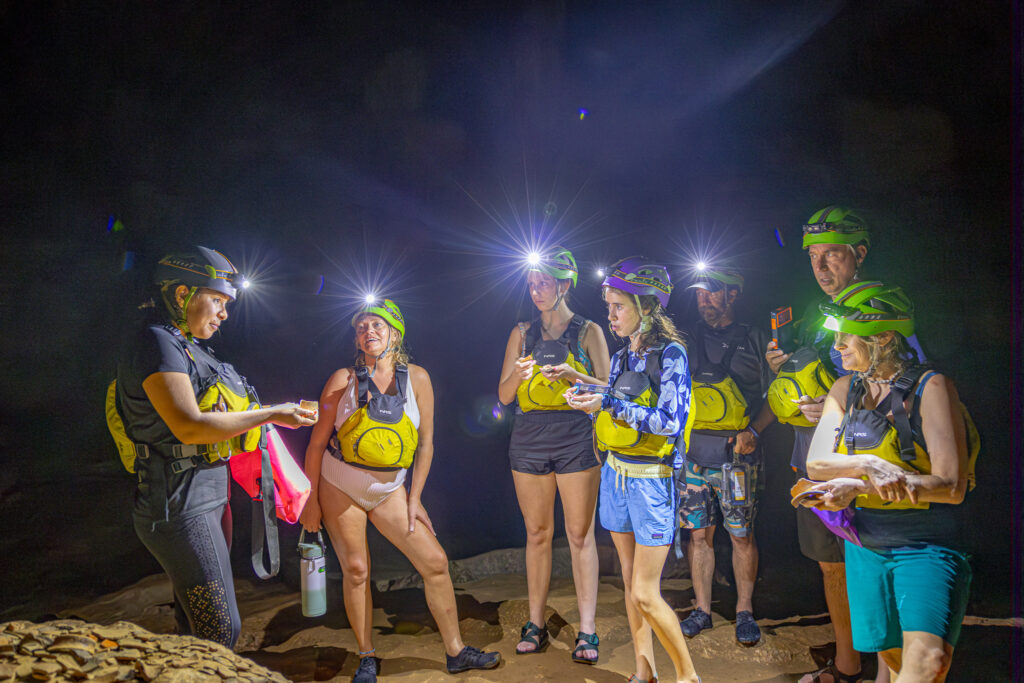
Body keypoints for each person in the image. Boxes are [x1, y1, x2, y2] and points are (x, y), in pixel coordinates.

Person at [114, 246, 317, 648]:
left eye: (227, 303)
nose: (224, 313)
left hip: (205, 494)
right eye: (218, 300)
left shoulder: (186, 345)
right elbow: (190, 427)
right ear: (180, 294)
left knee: (195, 624)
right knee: (220, 629)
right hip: (178, 502)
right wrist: (272, 414)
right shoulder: (155, 342)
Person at [300, 298, 500, 682]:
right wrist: (310, 498)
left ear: (395, 332)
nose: (368, 332)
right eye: (361, 327)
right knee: (357, 570)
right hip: (340, 482)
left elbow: (425, 444)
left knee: (435, 563)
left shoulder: (418, 378)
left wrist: (415, 497)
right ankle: (366, 657)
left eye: (376, 325)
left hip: (391, 488)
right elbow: (316, 442)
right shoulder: (342, 378)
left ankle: (456, 651)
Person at [766, 207, 908, 683]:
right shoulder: (813, 312)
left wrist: (831, 404)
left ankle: (891, 670)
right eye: (813, 257)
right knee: (831, 566)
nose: (822, 268)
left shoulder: (882, 305)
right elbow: (813, 374)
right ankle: (848, 667)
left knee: (878, 568)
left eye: (832, 256)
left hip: (868, 460)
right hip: (816, 456)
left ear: (859, 253)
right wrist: (782, 368)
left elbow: (907, 385)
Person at [801, 283, 970, 683]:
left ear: (883, 337)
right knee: (893, 663)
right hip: (867, 547)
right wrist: (868, 464)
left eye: (846, 338)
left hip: (927, 545)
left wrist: (859, 485)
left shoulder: (933, 387)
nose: (837, 347)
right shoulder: (845, 389)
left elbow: (951, 484)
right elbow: (817, 461)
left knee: (928, 664)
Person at [566, 257, 700, 683]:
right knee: (630, 586)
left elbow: (668, 421)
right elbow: (620, 418)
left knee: (645, 591)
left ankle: (688, 676)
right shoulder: (624, 355)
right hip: (616, 477)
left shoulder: (672, 354)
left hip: (652, 482)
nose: (610, 316)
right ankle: (644, 672)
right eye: (608, 306)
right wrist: (588, 394)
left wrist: (605, 401)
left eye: (618, 306)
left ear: (647, 307)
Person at [496, 247, 610, 664]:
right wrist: (518, 374)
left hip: (575, 435)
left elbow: (608, 390)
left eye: (544, 281)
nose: (536, 289)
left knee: (580, 535)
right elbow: (505, 396)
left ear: (565, 283)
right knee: (537, 534)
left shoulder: (588, 331)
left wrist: (574, 377)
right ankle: (535, 623)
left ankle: (588, 630)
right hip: (528, 436)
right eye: (531, 282)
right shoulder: (520, 333)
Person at [677, 268, 776, 646]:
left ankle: (744, 610)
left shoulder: (756, 338)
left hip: (738, 456)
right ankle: (702, 609)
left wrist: (753, 432)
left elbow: (777, 395)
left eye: (712, 292)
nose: (704, 299)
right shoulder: (687, 338)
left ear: (733, 294)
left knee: (741, 534)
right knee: (698, 534)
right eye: (700, 293)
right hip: (695, 455)